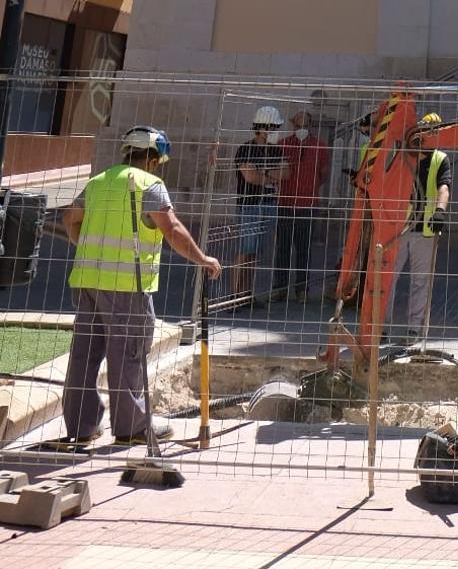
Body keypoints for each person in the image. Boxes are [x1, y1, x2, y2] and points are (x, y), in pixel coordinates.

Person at [60, 125, 220, 446]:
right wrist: (202, 259)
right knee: (128, 354)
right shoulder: (150, 184)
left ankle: (81, 426)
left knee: (84, 354)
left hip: (88, 281)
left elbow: (69, 219)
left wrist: (92, 251)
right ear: (152, 159)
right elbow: (172, 229)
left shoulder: (99, 181)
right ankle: (131, 427)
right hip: (127, 286)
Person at [390, 112, 451, 339]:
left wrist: (440, 211)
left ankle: (414, 330)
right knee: (388, 278)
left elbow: (444, 187)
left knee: (420, 282)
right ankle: (380, 328)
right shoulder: (403, 156)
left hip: (425, 230)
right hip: (399, 229)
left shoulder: (440, 159)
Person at [274, 105, 330, 301]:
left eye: (305, 124)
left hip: (308, 205)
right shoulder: (282, 145)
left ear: (311, 125)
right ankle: (280, 288)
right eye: (298, 124)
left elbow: (323, 174)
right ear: (293, 125)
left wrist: (310, 186)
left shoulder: (320, 146)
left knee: (304, 249)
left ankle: (302, 290)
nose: (302, 128)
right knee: (282, 247)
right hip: (285, 203)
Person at [232, 105, 287, 304]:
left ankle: (247, 294)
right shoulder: (246, 149)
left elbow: (286, 173)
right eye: (272, 127)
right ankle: (235, 294)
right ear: (262, 127)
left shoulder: (275, 150)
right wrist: (271, 175)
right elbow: (250, 177)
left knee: (256, 252)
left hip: (269, 204)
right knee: (246, 250)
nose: (275, 131)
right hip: (250, 205)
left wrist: (264, 173)